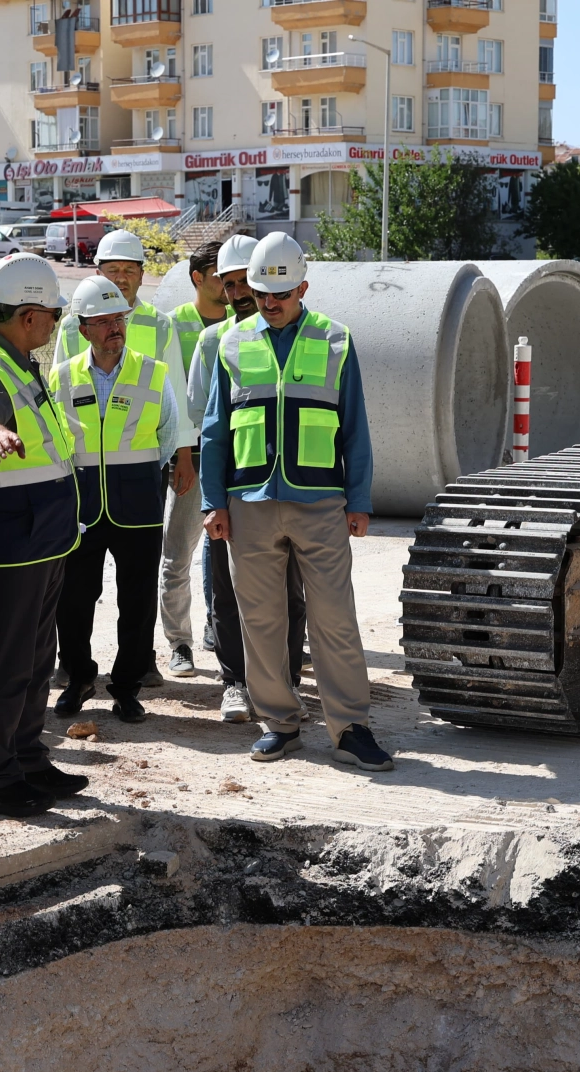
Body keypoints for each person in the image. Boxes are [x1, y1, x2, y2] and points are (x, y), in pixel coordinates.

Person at [200, 233, 391, 771]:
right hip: (250, 504)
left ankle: (350, 727)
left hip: (320, 502)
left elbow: (355, 427)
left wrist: (359, 499)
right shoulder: (231, 343)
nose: (269, 302)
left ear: (303, 287)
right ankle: (278, 724)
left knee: (334, 618)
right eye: (261, 293)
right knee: (261, 620)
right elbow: (215, 430)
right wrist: (213, 501)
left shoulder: (336, 339)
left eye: (280, 294)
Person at [0, 252, 86, 816]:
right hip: (10, 546)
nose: (56, 323)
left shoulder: (21, 358)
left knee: (34, 656)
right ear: (28, 315)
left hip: (41, 539)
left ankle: (27, 757)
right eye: (51, 313)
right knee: (6, 666)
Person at [55, 228, 196, 688]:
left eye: (129, 271)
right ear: (99, 272)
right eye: (112, 271)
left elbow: (173, 390)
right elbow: (58, 389)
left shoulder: (158, 323)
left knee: (136, 583)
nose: (121, 279)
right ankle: (74, 669)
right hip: (81, 480)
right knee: (76, 587)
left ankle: (137, 665)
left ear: (141, 275)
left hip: (139, 473)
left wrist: (182, 456)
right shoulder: (72, 322)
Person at [190, 235, 307, 723]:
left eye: (247, 282)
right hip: (237, 486)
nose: (239, 292)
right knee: (227, 587)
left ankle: (287, 680)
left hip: (290, 486)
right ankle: (236, 681)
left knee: (290, 590)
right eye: (231, 283)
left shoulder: (301, 335)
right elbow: (204, 417)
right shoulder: (215, 341)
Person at [156, 239, 228, 680]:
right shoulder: (173, 325)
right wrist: (180, 455)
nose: (227, 284)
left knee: (226, 552)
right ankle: (178, 643)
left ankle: (216, 629)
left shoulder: (247, 322)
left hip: (235, 454)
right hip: (192, 455)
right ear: (197, 278)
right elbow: (173, 398)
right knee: (178, 551)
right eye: (219, 275)